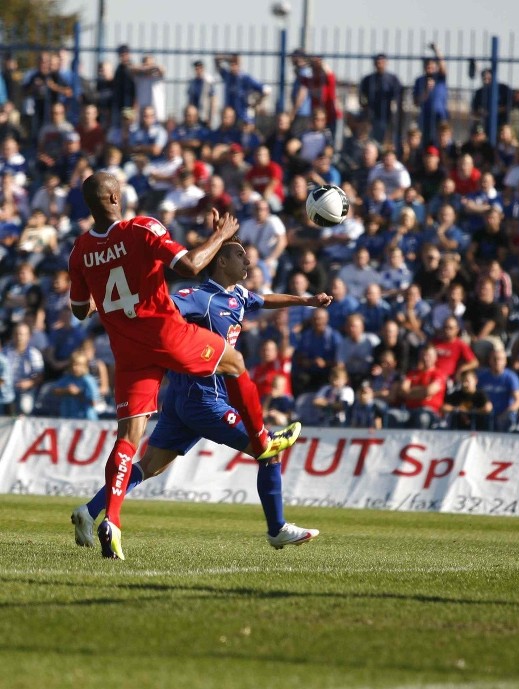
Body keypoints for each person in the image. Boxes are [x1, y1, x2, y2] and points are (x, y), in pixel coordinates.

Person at [67, 172, 303, 560]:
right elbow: (191, 265)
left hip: (127, 350)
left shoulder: (79, 251)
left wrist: (108, 294)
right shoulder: (142, 227)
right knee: (236, 361)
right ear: (113, 195)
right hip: (164, 334)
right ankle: (263, 439)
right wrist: (220, 235)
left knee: (129, 437)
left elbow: (79, 310)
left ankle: (111, 518)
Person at [359, 53, 402, 146]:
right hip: (372, 116)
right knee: (373, 142)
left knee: (388, 142)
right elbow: (362, 97)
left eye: (382, 62)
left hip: (388, 116)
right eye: (377, 62)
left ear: (386, 63)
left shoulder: (392, 79)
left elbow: (398, 97)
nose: (379, 64)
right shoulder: (368, 79)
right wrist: (365, 110)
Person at [412, 43, 448, 145]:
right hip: (425, 117)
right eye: (427, 65)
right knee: (426, 141)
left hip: (440, 116)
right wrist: (427, 91)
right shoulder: (419, 81)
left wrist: (436, 50)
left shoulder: (440, 77)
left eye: (432, 65)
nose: (429, 67)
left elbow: (443, 66)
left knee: (441, 141)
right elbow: (416, 102)